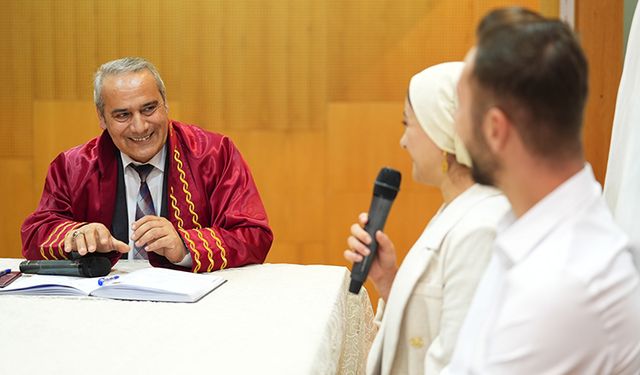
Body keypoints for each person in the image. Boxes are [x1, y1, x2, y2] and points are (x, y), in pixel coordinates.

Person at [446, 7, 640, 373]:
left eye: (460, 107)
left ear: (495, 129)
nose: (455, 123)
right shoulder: (531, 228)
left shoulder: (561, 287)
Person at [21, 57, 273, 273]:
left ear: (165, 104)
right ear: (101, 118)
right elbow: (35, 234)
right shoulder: (72, 166)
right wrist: (76, 235)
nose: (140, 126)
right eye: (122, 115)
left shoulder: (215, 154)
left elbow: (253, 234)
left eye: (149, 109)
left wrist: (185, 245)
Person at [344, 62, 510, 374]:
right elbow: (431, 323)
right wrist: (388, 279)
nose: (403, 142)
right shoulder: (458, 209)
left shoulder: (482, 228)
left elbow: (461, 364)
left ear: (442, 130)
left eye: (408, 124)